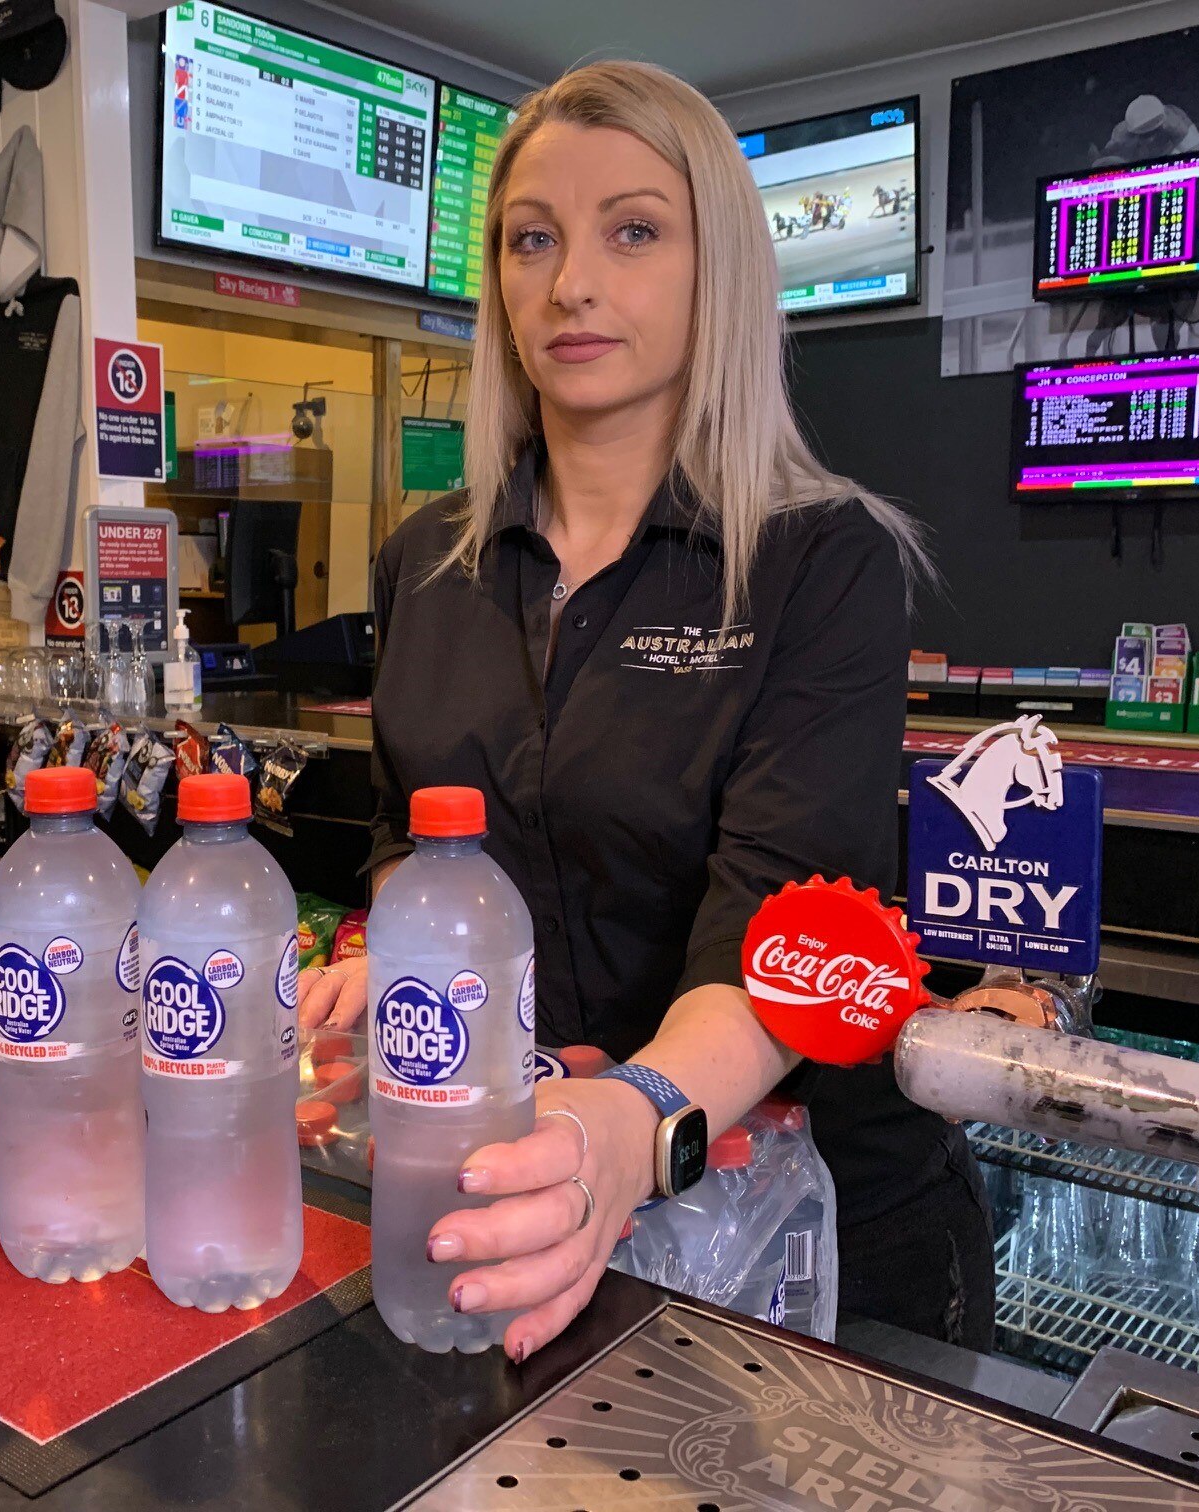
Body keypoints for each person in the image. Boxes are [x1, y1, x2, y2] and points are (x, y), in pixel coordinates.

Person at [299, 60, 985, 1364]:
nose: (572, 284)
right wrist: (390, 956)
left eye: (633, 230)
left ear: (714, 268)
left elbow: (786, 927)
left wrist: (637, 1115)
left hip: (809, 1218)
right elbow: (417, 837)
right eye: (532, 240)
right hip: (537, 1187)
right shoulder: (428, 559)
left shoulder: (818, 557)